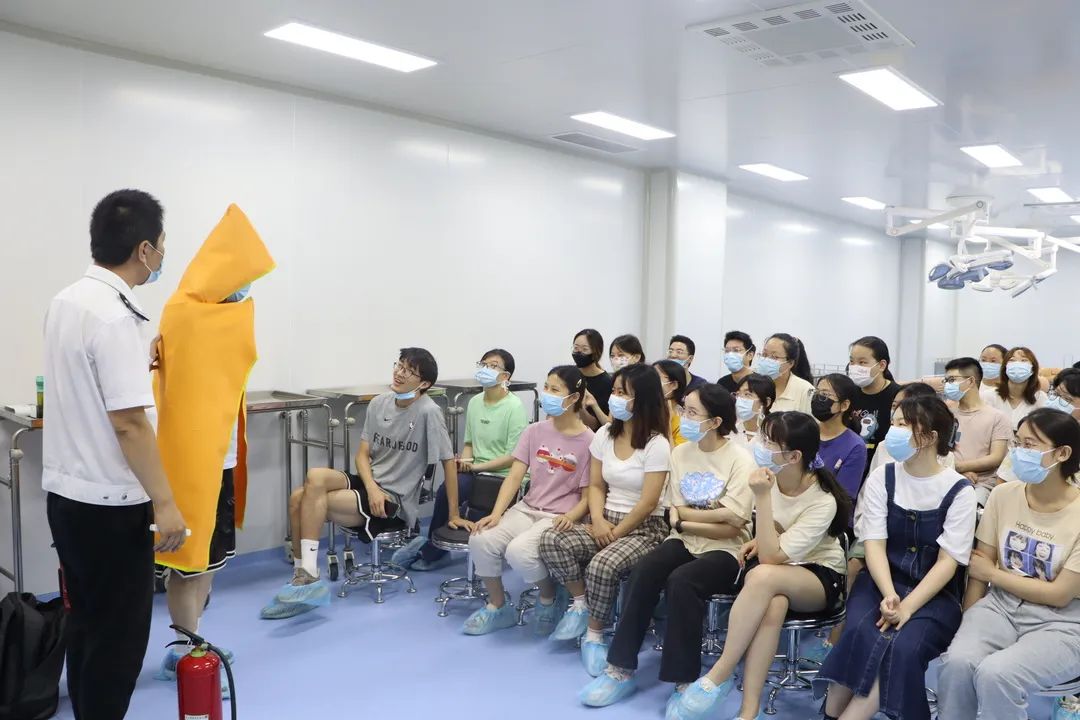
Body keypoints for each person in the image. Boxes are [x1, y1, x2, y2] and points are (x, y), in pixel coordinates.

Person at [42, 189, 188, 720]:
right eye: (162, 245)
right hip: (111, 506)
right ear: (144, 249)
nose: (162, 256)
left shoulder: (67, 301)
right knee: (119, 641)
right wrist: (165, 503)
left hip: (66, 498)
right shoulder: (117, 315)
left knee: (85, 624)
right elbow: (129, 423)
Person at [151, 204, 275, 697]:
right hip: (188, 464)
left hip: (220, 458)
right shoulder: (184, 313)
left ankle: (192, 641)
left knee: (209, 562)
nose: (246, 292)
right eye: (242, 280)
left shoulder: (225, 316)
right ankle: (187, 655)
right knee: (187, 564)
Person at [578, 384, 754, 709]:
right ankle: (620, 669)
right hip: (684, 539)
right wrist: (699, 518)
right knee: (645, 570)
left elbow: (734, 522)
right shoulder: (681, 454)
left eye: (692, 412)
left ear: (715, 422)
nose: (683, 416)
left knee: (682, 581)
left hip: (727, 548)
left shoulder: (740, 459)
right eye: (684, 409)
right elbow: (675, 510)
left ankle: (683, 679)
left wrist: (686, 519)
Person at [670, 411, 851, 720]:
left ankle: (720, 672)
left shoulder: (822, 499)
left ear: (794, 456)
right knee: (774, 604)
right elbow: (776, 532)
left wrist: (763, 498)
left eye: (769, 442)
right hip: (779, 569)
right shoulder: (769, 477)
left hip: (819, 575)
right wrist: (761, 536)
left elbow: (770, 558)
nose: (760, 446)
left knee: (763, 574)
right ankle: (749, 711)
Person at [262, 348, 456, 618]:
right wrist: (372, 487)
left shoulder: (429, 412)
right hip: (370, 485)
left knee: (304, 499)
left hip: (394, 500)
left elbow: (449, 461)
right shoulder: (379, 403)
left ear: (423, 384)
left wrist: (453, 514)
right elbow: (362, 455)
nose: (399, 373)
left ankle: (307, 580)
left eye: (409, 371)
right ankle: (303, 576)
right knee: (311, 480)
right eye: (399, 365)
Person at [817, 395, 978, 720]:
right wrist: (890, 594)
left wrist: (907, 606)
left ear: (929, 436)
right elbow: (874, 544)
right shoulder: (883, 476)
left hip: (934, 595)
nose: (894, 431)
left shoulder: (960, 490)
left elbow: (947, 563)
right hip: (879, 582)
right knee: (859, 632)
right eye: (894, 422)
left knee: (901, 647)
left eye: (903, 424)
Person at [937, 408, 1080, 720]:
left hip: (1063, 622)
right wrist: (969, 618)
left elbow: (1059, 594)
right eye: (1017, 443)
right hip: (1000, 607)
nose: (1018, 452)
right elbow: (979, 569)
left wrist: (994, 575)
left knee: (997, 674)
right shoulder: (1003, 495)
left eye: (1030, 445)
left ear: (1063, 453)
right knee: (958, 662)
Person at [539, 363, 671, 675]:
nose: (614, 398)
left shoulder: (657, 444)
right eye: (614, 391)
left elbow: (649, 501)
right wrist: (597, 520)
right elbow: (596, 485)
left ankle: (594, 635)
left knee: (602, 564)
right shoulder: (604, 434)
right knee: (552, 539)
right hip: (605, 519)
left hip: (644, 529)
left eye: (622, 393)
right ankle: (580, 603)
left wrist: (616, 532)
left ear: (642, 399)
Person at [461, 366, 594, 635]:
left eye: (555, 389)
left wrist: (571, 517)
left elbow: (589, 496)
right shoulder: (535, 431)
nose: (547, 394)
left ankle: (548, 596)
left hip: (558, 516)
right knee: (480, 539)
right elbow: (514, 476)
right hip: (527, 507)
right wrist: (496, 514)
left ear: (573, 398)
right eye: (546, 387)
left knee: (519, 551)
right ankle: (498, 606)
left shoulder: (589, 441)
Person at [394, 349, 528, 571]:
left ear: (505, 376)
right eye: (483, 364)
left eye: (493, 366)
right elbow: (469, 443)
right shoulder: (475, 402)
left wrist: (475, 466)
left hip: (503, 476)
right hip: (476, 470)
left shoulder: (514, 407)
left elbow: (512, 458)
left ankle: (430, 551)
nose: (486, 369)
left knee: (477, 505)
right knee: (447, 489)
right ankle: (436, 548)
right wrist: (464, 463)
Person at [944, 357, 1012, 505]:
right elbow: (938, 451)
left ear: (970, 381)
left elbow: (996, 458)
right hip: (947, 477)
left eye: (952, 380)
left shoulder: (997, 417)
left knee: (967, 503)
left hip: (981, 484)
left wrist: (959, 467)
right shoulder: (947, 414)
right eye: (946, 380)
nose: (947, 385)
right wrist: (955, 470)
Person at [812, 374, 868, 523]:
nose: (818, 398)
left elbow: (844, 496)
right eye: (816, 392)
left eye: (825, 395)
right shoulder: (806, 431)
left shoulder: (855, 446)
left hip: (830, 520)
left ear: (844, 405)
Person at [847, 336, 900, 469]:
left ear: (882, 365)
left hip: (883, 467)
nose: (855, 367)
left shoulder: (898, 396)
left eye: (862, 362)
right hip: (853, 466)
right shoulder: (848, 394)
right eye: (852, 361)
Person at [987, 346, 1049, 428]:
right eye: (1012, 360)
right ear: (1005, 368)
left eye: (1024, 360)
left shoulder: (1040, 398)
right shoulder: (988, 396)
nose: (1017, 364)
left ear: (1032, 369)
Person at [757, 333, 814, 414]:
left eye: (774, 357)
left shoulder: (805, 390)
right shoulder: (750, 385)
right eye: (764, 354)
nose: (766, 360)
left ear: (790, 363)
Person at [574, 328, 613, 430]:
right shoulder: (569, 375)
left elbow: (598, 425)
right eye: (576, 348)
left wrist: (580, 407)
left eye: (585, 349)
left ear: (596, 352)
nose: (579, 352)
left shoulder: (606, 383)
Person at [730, 373, 775, 450]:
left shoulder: (775, 433)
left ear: (766, 402)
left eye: (747, 394)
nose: (740, 399)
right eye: (738, 394)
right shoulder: (730, 428)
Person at [655, 358, 690, 446]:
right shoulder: (646, 409)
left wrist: (667, 425)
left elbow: (674, 453)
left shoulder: (684, 420)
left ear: (674, 384)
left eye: (655, 377)